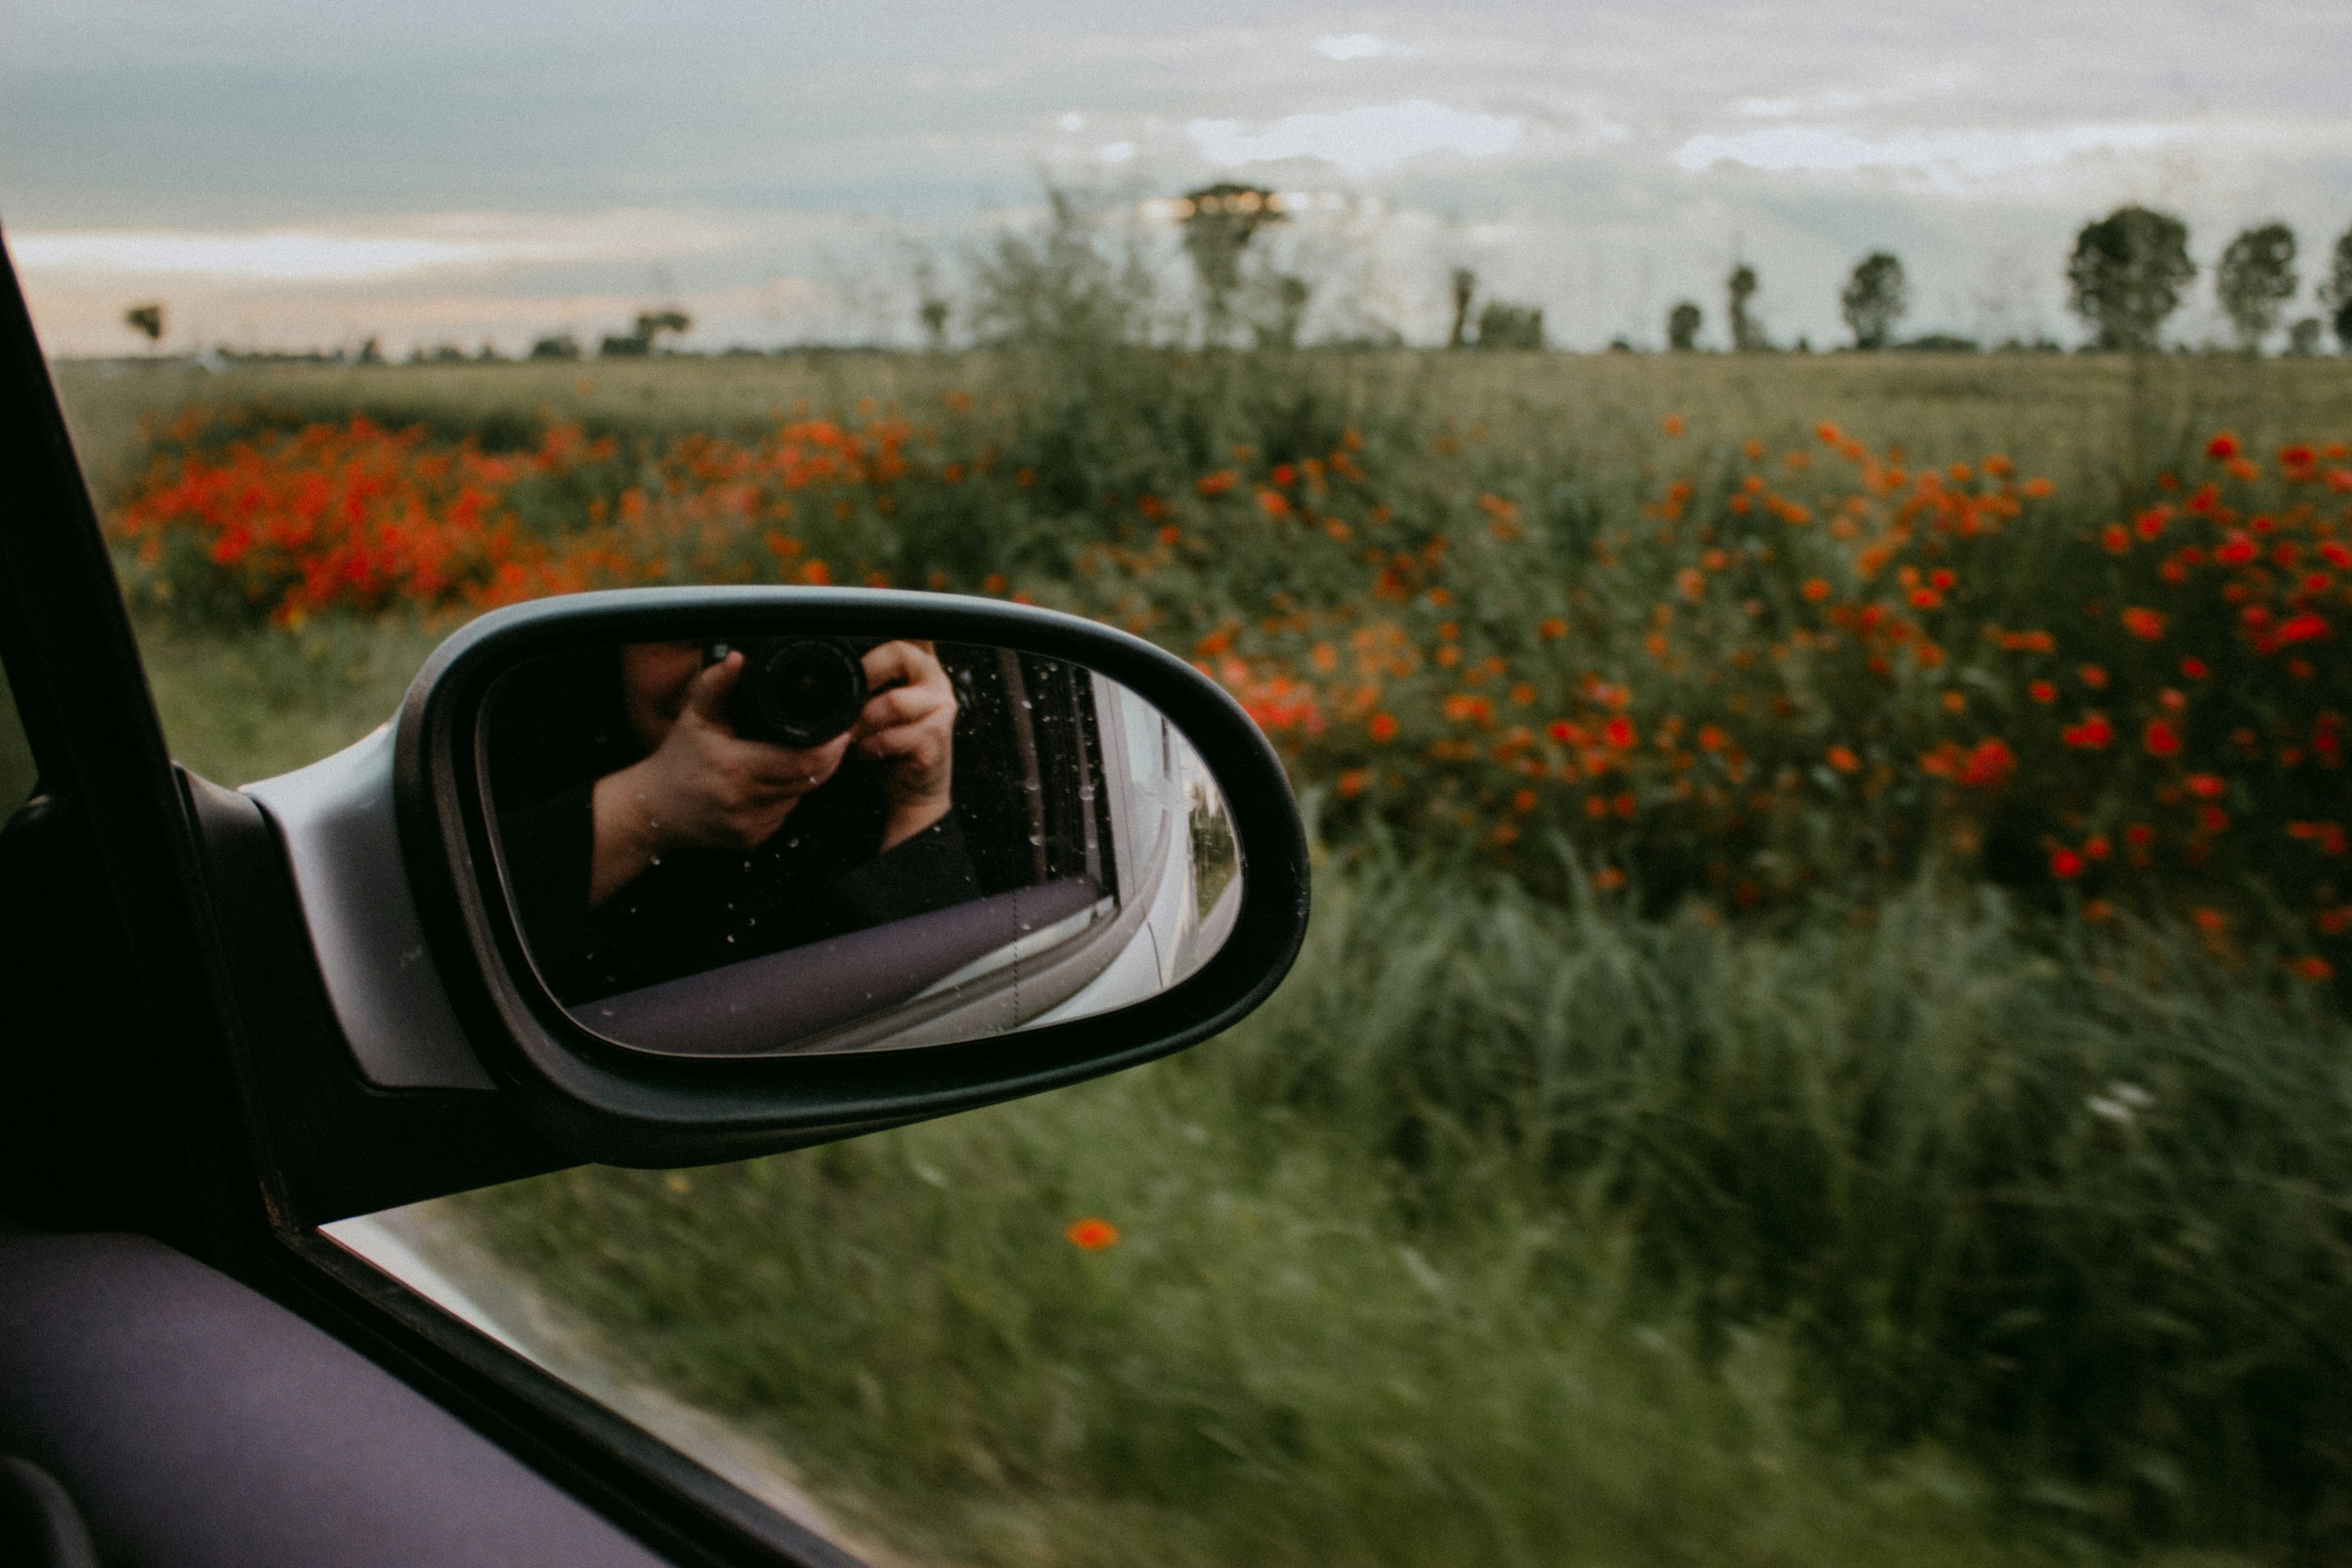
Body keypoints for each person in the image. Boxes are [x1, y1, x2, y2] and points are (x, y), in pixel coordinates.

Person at [490, 637, 980, 1004]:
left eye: (763, 635)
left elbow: (940, 1005)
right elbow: (462, 920)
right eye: (676, 628)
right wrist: (643, 810)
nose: (725, 669)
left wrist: (918, 799)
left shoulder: (865, 793)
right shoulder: (527, 739)